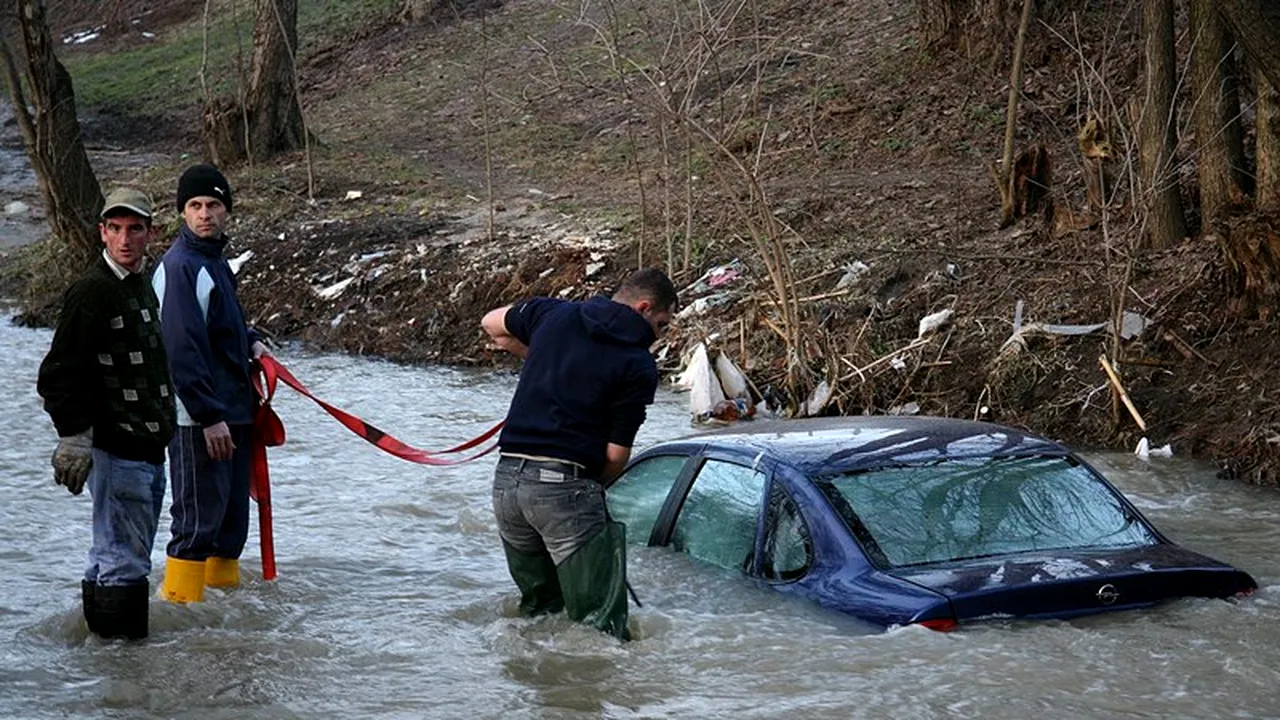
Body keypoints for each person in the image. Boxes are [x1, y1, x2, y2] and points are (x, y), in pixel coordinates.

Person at [481, 268, 677, 639]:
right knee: (601, 632)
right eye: (661, 324)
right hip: (564, 486)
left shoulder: (552, 314)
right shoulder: (637, 364)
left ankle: (535, 693)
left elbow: (491, 324)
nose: (658, 335)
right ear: (644, 307)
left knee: (540, 615)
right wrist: (590, 488)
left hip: (506, 484)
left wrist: (544, 358)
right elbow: (617, 456)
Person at [37, 188, 176, 640]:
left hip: (149, 448)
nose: (124, 239)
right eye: (115, 229)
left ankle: (100, 670)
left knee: (110, 556)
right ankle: (128, 678)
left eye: (135, 229)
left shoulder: (140, 283)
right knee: (124, 563)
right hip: (117, 450)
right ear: (102, 232)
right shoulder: (90, 291)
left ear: (150, 233)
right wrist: (74, 436)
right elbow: (58, 372)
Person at [152, 163, 269, 604]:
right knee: (197, 527)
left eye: (214, 205)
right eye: (196, 205)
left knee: (229, 530)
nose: (205, 214)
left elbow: (223, 326)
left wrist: (253, 343)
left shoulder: (215, 262)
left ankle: (222, 630)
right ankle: (182, 619)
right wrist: (209, 416)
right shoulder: (180, 267)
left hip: (233, 413)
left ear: (227, 212)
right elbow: (181, 350)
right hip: (199, 420)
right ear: (183, 213)